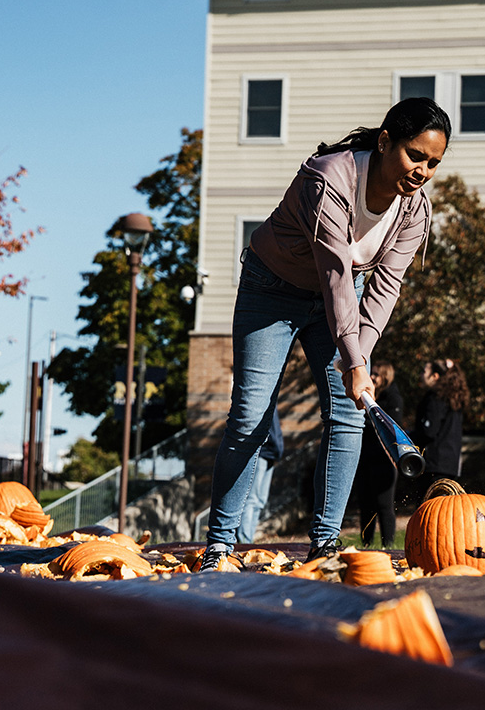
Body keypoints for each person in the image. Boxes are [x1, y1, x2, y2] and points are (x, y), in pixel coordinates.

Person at [200, 97, 452, 571]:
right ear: (384, 142)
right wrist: (354, 362)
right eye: (414, 155)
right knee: (251, 416)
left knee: (348, 414)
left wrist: (360, 358)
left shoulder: (415, 211)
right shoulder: (329, 177)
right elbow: (335, 272)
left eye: (433, 163)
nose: (422, 170)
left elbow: (384, 288)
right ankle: (219, 544)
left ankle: (326, 543)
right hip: (271, 290)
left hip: (338, 301)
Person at [353, 361, 403, 548]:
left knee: (384, 504)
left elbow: (392, 427)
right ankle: (366, 543)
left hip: (384, 460)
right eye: (371, 374)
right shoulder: (366, 395)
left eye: (377, 375)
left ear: (386, 377)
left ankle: (388, 544)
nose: (372, 377)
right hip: (365, 457)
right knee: (366, 504)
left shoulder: (393, 398)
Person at [412, 358, 469, 494]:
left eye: (424, 371)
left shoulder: (435, 398)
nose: (420, 374)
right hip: (451, 464)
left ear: (435, 376)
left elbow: (429, 431)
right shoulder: (454, 398)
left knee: (429, 509)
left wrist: (410, 437)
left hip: (434, 463)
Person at [237, 410, 284, 544]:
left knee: (260, 501)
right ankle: (244, 541)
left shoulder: (273, 404)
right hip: (261, 454)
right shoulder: (264, 400)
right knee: (252, 499)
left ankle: (248, 539)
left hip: (271, 457)